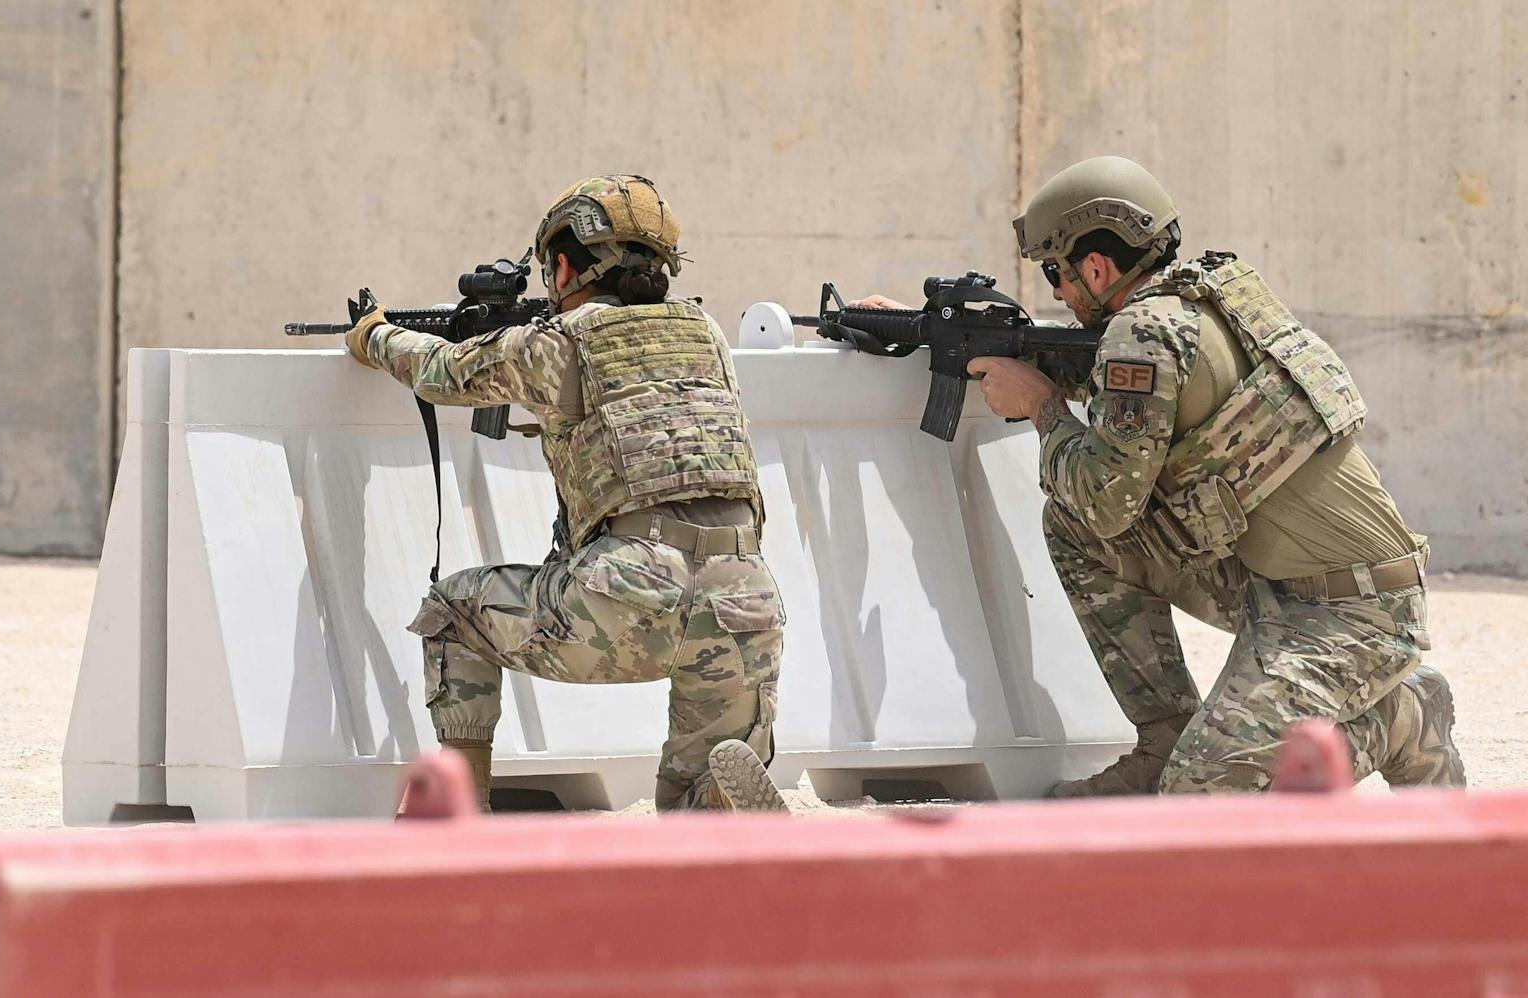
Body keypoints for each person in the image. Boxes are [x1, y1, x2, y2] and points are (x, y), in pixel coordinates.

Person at [918, 155, 1459, 794]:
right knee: (1076, 532)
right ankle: (1165, 739)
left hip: (1351, 610)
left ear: (1097, 268)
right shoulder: (1191, 308)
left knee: (1205, 795)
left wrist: (1041, 408)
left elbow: (1104, 501)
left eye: (1056, 273)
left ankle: (1403, 717)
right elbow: (1106, 395)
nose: (1058, 292)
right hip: (1280, 584)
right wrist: (934, 330)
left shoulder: (1141, 335)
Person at [345, 175, 787, 812]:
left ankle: (456, 813)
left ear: (560, 265)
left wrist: (376, 335)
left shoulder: (555, 344)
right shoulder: (706, 334)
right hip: (746, 601)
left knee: (453, 612)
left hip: (630, 593)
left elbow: (442, 372)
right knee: (688, 811)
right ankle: (709, 796)